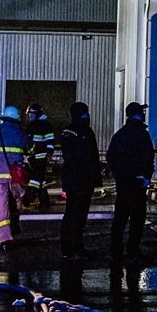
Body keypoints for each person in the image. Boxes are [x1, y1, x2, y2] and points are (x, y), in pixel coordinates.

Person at [106, 101, 156, 261]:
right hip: (137, 183)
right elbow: (149, 157)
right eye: (141, 111)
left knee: (120, 217)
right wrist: (147, 176)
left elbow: (111, 158)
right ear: (137, 114)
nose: (144, 113)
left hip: (125, 183)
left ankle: (116, 249)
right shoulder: (142, 134)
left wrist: (120, 176)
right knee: (137, 218)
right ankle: (132, 249)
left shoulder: (120, 135)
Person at [0, 105, 32, 249]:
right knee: (17, 202)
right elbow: (31, 148)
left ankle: (5, 238)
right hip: (16, 175)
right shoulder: (20, 134)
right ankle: (15, 225)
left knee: (1, 207)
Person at [58, 102, 101, 258]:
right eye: (85, 113)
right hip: (79, 179)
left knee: (78, 214)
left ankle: (73, 246)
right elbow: (83, 157)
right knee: (75, 214)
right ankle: (71, 247)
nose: (88, 115)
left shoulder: (78, 131)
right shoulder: (76, 131)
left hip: (79, 179)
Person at [24, 104, 57, 209]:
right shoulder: (32, 125)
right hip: (34, 157)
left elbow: (50, 140)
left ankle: (27, 199)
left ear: (36, 113)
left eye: (31, 114)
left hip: (40, 158)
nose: (29, 116)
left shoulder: (45, 125)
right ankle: (44, 202)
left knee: (35, 179)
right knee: (40, 180)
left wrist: (48, 153)